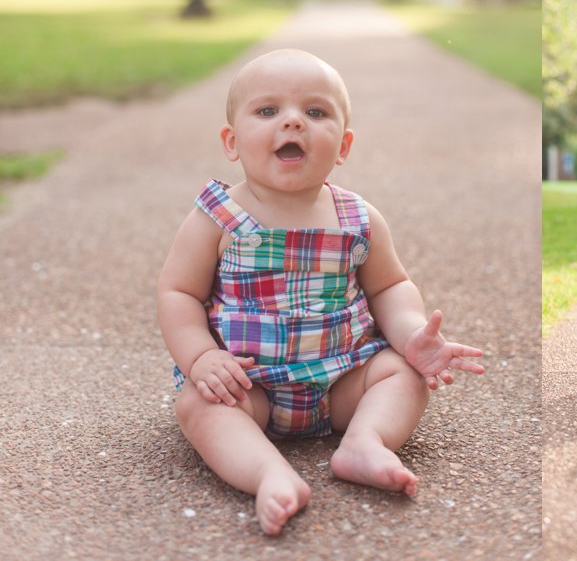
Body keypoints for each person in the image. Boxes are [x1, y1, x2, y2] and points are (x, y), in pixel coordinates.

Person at [156, 49, 485, 536]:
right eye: (268, 111)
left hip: (341, 381)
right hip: (250, 386)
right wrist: (200, 357)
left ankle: (364, 442)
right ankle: (266, 471)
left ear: (344, 145)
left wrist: (413, 334)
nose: (293, 123)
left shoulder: (358, 218)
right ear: (231, 141)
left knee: (403, 375)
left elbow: (391, 285)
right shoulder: (217, 217)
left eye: (315, 112)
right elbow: (177, 292)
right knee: (200, 407)